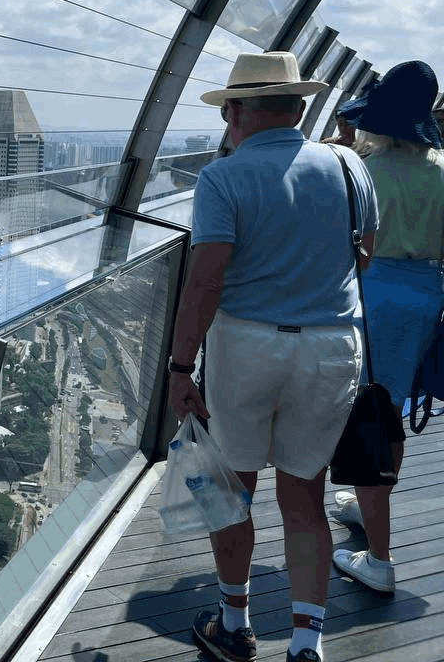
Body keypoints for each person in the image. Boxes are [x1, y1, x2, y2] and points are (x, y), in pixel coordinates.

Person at [168, 51, 377, 662]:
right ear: (299, 106)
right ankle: (306, 643)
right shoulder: (347, 166)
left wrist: (181, 369)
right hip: (332, 345)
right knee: (304, 496)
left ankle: (235, 625)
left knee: (233, 491)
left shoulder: (224, 177)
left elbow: (205, 281)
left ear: (234, 112)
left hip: (246, 345)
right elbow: (363, 257)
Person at [328, 60, 444, 593]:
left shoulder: (365, 173)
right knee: (388, 407)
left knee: (371, 416)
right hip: (426, 296)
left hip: (371, 294)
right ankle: (366, 505)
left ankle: (379, 558)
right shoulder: (442, 169)